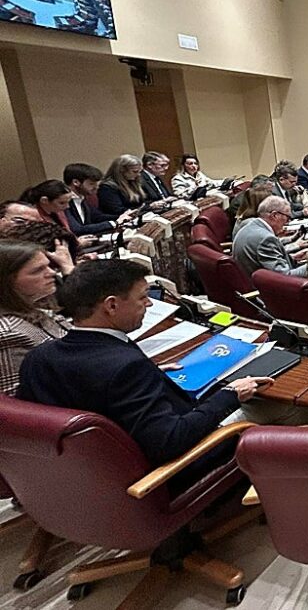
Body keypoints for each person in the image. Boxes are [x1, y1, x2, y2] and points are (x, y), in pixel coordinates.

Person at [17, 259, 271, 476]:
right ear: (111, 305)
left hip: (84, 478)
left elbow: (91, 392)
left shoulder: (38, 358)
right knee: (278, 411)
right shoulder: (125, 367)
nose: (149, 304)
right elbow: (169, 442)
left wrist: (152, 376)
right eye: (143, 297)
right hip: (163, 474)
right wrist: (230, 395)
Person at [0, 241, 69, 395]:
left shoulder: (34, 307)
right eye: (37, 270)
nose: (52, 273)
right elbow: (17, 405)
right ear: (7, 281)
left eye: (48, 265)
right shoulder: (8, 333)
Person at [231, 196, 308, 277]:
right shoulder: (266, 239)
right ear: (274, 215)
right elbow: (285, 277)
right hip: (260, 287)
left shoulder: (251, 225)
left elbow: (267, 260)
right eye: (287, 218)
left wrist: (292, 258)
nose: (287, 223)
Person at [63, 163, 131, 234]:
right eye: (91, 184)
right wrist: (114, 223)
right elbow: (77, 229)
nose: (96, 187)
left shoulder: (82, 197)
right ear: (76, 182)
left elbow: (97, 216)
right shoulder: (64, 202)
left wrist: (122, 217)